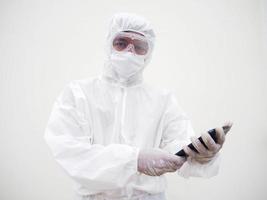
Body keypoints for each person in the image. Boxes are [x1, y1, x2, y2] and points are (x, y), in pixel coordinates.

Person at [44, 13, 232, 200]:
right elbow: (69, 151)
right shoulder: (78, 93)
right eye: (121, 42)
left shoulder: (163, 99)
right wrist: (134, 160)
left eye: (139, 46)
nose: (129, 51)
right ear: (109, 44)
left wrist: (200, 157)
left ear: (148, 53)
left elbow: (178, 144)